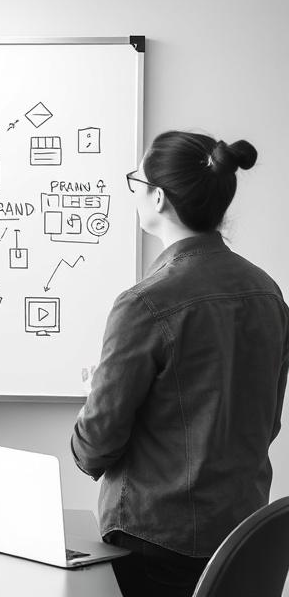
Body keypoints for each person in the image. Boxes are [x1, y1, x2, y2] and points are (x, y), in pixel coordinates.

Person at [72, 131, 289, 597]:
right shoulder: (268, 293)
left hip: (154, 545)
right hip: (242, 542)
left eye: (136, 181)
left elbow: (95, 447)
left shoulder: (144, 304)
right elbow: (265, 421)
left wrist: (97, 393)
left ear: (157, 196)